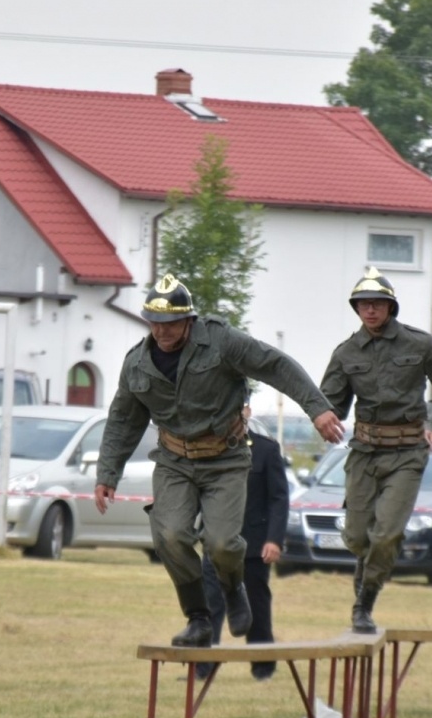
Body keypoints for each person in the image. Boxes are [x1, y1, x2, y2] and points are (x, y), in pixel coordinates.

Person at [95, 275, 343, 647]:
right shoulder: (137, 364)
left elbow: (275, 365)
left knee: (223, 543)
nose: (162, 331)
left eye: (171, 323)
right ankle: (198, 618)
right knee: (171, 536)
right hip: (174, 461)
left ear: (189, 320)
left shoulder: (221, 341)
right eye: (155, 323)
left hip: (225, 458)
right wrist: (107, 473)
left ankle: (232, 587)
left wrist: (317, 409)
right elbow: (122, 420)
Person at [319, 267, 432, 632]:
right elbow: (330, 402)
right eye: (363, 305)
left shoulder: (418, 344)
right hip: (364, 452)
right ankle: (366, 568)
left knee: (387, 533)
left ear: (391, 307)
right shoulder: (346, 353)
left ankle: (365, 604)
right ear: (356, 308)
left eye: (377, 304)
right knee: (359, 537)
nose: (370, 311)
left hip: (407, 453)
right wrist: (322, 416)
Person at [197, 406, 290, 680]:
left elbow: (278, 498)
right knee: (208, 605)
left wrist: (274, 539)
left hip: (254, 545)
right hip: (215, 542)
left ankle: (263, 667)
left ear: (246, 411)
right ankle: (203, 667)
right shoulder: (209, 447)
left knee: (257, 608)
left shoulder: (266, 450)